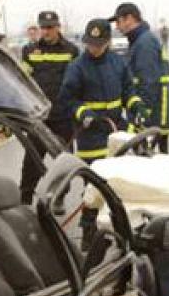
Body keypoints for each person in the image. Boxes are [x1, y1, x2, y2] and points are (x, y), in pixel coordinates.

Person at [59, 18, 139, 246]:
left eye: (98, 44)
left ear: (108, 42)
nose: (94, 48)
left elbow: (129, 90)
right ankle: (88, 232)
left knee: (118, 184)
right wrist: (83, 113)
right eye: (90, 44)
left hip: (115, 131)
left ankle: (121, 231)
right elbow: (67, 99)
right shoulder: (77, 67)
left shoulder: (118, 63)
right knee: (93, 187)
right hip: (91, 135)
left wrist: (135, 105)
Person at [19, 10, 79, 204]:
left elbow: (78, 82)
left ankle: (59, 196)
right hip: (39, 118)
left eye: (50, 28)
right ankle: (25, 197)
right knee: (31, 160)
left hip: (63, 116)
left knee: (64, 161)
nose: (46, 31)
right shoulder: (30, 51)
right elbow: (23, 81)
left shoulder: (71, 51)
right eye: (43, 27)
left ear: (58, 27)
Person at [110, 2, 169, 153]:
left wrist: (142, 114)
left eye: (118, 22)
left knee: (151, 158)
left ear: (129, 19)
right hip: (155, 112)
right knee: (155, 156)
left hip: (153, 114)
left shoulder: (144, 43)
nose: (117, 27)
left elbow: (148, 82)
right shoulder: (140, 40)